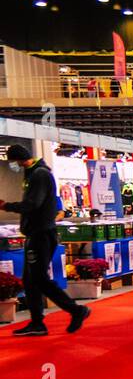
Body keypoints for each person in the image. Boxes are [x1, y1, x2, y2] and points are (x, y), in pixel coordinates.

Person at [1, 144, 91, 337]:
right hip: (36, 234)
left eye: (14, 161)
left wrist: (6, 206)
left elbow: (33, 204)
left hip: (41, 234)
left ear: (19, 159)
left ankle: (76, 310)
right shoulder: (34, 174)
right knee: (30, 280)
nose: (14, 166)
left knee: (39, 279)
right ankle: (37, 323)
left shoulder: (39, 175)